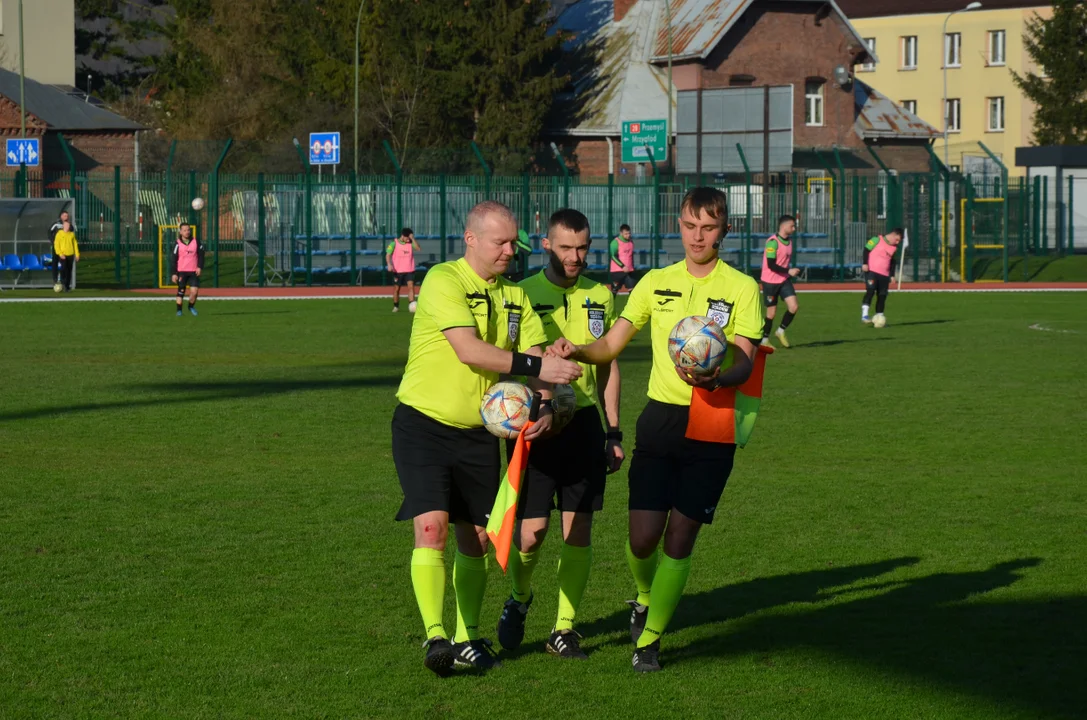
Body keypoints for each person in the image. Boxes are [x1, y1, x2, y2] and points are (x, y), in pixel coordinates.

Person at [547, 187, 763, 673]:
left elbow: (746, 362)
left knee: (680, 537)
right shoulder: (654, 282)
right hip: (661, 420)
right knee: (642, 539)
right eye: (690, 226)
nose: (698, 236)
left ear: (723, 231)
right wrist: (576, 350)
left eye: (708, 228)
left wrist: (717, 376)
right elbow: (611, 345)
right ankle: (644, 596)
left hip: (712, 421)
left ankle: (650, 641)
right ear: (679, 226)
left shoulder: (742, 287)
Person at [392, 201, 583, 677]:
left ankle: (467, 636)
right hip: (424, 423)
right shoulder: (443, 280)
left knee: (475, 537)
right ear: (471, 239)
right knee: (431, 526)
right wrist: (540, 368)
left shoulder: (516, 297)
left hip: (480, 433)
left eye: (513, 243)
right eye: (499, 243)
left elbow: (536, 354)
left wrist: (542, 406)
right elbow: (469, 349)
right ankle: (436, 636)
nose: (508, 252)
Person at [495, 209, 624, 660]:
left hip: (585, 422)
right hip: (536, 424)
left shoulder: (600, 295)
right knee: (531, 535)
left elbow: (608, 362)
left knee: (578, 530)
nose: (575, 256)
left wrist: (613, 430)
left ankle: (564, 628)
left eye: (583, 247)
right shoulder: (521, 293)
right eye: (566, 247)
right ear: (547, 245)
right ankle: (520, 595)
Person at [759, 215, 801, 348]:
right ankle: (764, 340)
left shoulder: (789, 242)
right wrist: (789, 271)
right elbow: (771, 265)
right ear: (783, 226)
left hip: (783, 280)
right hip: (770, 282)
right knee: (771, 313)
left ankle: (780, 331)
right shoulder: (772, 242)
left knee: (794, 307)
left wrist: (787, 273)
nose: (794, 229)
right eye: (792, 226)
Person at [860, 228, 903, 324]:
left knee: (882, 296)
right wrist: (865, 263)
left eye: (899, 241)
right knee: (870, 291)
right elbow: (866, 250)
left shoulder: (894, 248)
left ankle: (879, 317)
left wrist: (891, 275)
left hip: (884, 274)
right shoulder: (876, 239)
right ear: (893, 234)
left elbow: (893, 262)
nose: (897, 242)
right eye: (897, 239)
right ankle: (864, 315)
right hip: (872, 271)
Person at [169, 223, 204, 317]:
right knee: (181, 291)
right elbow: (173, 259)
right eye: (184, 230)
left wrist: (199, 267)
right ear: (180, 232)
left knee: (194, 292)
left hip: (193, 271)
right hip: (182, 271)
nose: (187, 232)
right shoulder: (177, 243)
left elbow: (201, 255)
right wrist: (174, 273)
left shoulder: (196, 241)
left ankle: (191, 306)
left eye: (188, 230)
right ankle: (179, 310)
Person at [387, 228, 422, 313]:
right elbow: (388, 255)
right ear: (403, 236)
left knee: (411, 287)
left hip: (409, 269)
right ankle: (396, 306)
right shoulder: (394, 243)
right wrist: (389, 264)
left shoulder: (410, 243)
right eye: (407, 238)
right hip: (397, 271)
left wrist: (413, 238)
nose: (408, 239)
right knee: (396, 289)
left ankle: (412, 305)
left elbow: (418, 248)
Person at [49, 210, 76, 289]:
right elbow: (49, 232)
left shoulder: (69, 225)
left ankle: (64, 281)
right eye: (64, 216)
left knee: (65, 266)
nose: (66, 217)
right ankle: (55, 279)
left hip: (65, 249)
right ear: (61, 216)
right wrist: (53, 241)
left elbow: (71, 231)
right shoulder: (56, 224)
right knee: (55, 262)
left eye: (67, 216)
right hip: (57, 247)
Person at [609, 224, 635, 294]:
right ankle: (610, 304)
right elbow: (613, 256)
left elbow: (631, 256)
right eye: (626, 234)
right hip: (617, 271)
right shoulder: (615, 242)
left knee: (632, 290)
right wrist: (623, 266)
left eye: (629, 233)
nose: (628, 235)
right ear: (621, 233)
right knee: (614, 291)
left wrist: (631, 267)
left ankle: (632, 305)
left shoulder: (631, 242)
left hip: (629, 271)